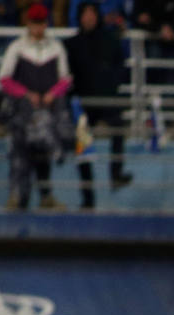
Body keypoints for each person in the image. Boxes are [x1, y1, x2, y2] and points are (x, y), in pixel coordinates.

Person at [0, 4, 73, 209]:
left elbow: (66, 79)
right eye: (34, 22)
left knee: (43, 156)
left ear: (46, 23)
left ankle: (46, 197)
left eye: (41, 22)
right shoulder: (17, 47)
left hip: (46, 114)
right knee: (19, 156)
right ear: (28, 23)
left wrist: (52, 94)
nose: (38, 27)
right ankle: (16, 197)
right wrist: (26, 94)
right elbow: (4, 79)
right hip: (22, 114)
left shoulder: (55, 47)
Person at [65, 2, 130, 209]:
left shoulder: (110, 40)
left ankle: (116, 173)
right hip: (83, 106)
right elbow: (67, 74)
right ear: (80, 17)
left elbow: (121, 67)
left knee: (119, 127)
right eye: (85, 13)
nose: (89, 17)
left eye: (92, 13)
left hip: (106, 101)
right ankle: (88, 198)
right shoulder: (72, 44)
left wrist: (112, 85)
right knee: (83, 149)